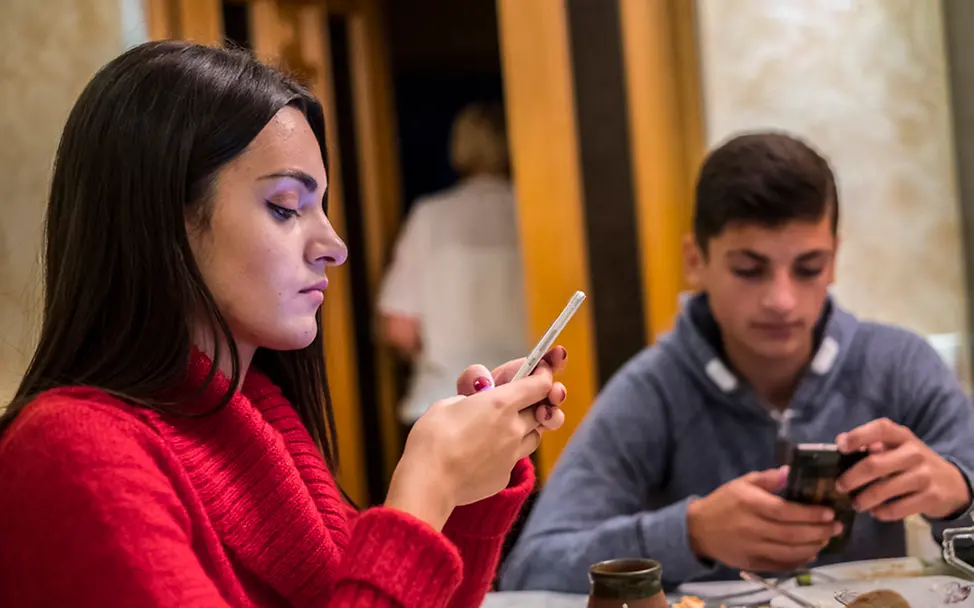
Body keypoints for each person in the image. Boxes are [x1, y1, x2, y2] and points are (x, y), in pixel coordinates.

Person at [0, 41, 570, 607]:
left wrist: (468, 497)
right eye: (285, 206)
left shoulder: (265, 428)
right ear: (162, 222)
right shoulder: (74, 450)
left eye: (321, 206)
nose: (334, 245)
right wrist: (426, 488)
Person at [500, 131, 974, 593]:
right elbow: (533, 567)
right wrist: (691, 534)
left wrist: (959, 494)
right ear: (695, 259)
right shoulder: (652, 390)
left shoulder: (900, 364)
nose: (782, 300)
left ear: (833, 260)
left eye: (809, 267)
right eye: (749, 269)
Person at [378, 102, 527, 426]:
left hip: (444, 402)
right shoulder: (538, 213)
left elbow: (398, 328)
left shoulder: (431, 217)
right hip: (527, 402)